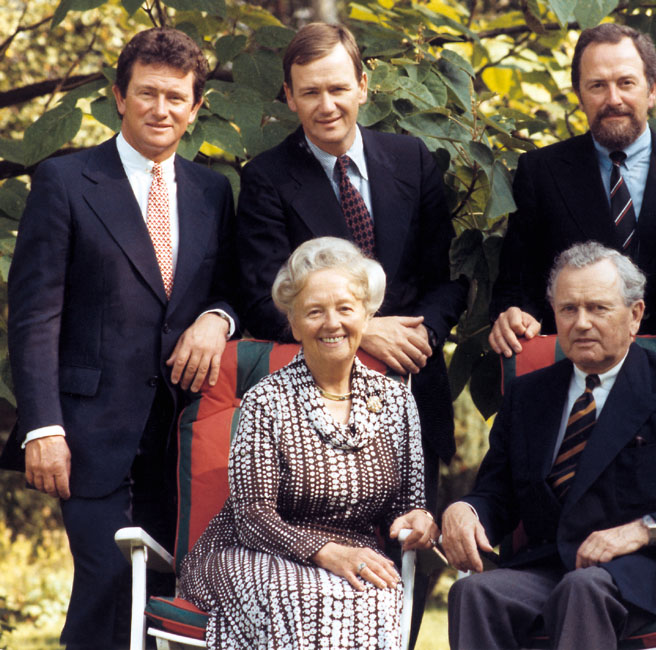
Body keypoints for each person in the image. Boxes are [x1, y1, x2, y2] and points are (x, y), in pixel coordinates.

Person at [0, 28, 239, 649]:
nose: (162, 110)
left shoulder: (214, 192)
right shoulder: (64, 181)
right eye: (148, 94)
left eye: (176, 98)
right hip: (85, 434)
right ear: (119, 96)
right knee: (108, 583)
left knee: (169, 599)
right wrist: (42, 428)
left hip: (184, 436)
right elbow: (33, 317)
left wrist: (218, 317)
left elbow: (231, 289)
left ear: (195, 106)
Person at [442, 242, 656, 649]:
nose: (582, 323)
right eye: (569, 309)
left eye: (598, 308)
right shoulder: (528, 395)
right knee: (473, 592)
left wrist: (645, 530)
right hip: (550, 569)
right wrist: (466, 510)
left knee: (584, 588)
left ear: (635, 315)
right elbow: (496, 495)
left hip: (648, 574)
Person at [235, 22, 466, 512]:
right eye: (311, 92)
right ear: (289, 98)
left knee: (413, 554)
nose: (327, 105)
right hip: (314, 412)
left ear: (363, 86)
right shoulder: (265, 180)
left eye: (339, 88)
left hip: (413, 384)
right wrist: (364, 331)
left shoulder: (414, 160)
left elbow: (447, 281)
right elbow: (262, 303)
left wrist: (423, 336)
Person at [178, 237, 438, 649]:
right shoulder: (267, 399)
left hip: (355, 556)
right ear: (294, 323)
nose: (332, 323)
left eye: (345, 309)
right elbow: (252, 517)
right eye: (315, 311)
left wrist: (419, 519)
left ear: (366, 315)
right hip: (250, 552)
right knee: (303, 597)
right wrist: (324, 552)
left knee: (376, 598)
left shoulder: (396, 399)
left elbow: (407, 504)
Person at [488, 23, 656, 357]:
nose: (613, 99)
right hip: (573, 370)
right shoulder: (540, 172)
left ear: (652, 90)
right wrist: (513, 315)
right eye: (597, 86)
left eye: (626, 83)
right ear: (579, 96)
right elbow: (516, 284)